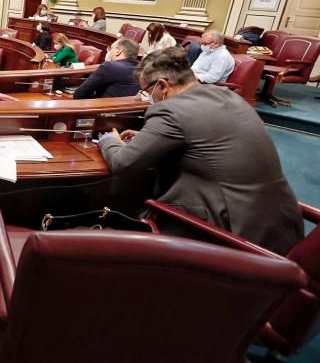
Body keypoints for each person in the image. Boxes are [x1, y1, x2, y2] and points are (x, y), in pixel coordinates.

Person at [98, 48, 302, 255]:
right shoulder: (225, 95)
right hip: (279, 223)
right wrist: (147, 138)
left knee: (126, 200)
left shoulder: (171, 110)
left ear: (162, 85)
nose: (147, 96)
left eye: (146, 91)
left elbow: (123, 163)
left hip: (230, 234)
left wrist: (109, 140)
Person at [74, 38, 141, 99]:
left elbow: (79, 94)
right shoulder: (142, 68)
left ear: (118, 51)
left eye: (111, 48)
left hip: (105, 109)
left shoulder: (109, 66)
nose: (109, 51)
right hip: (131, 110)